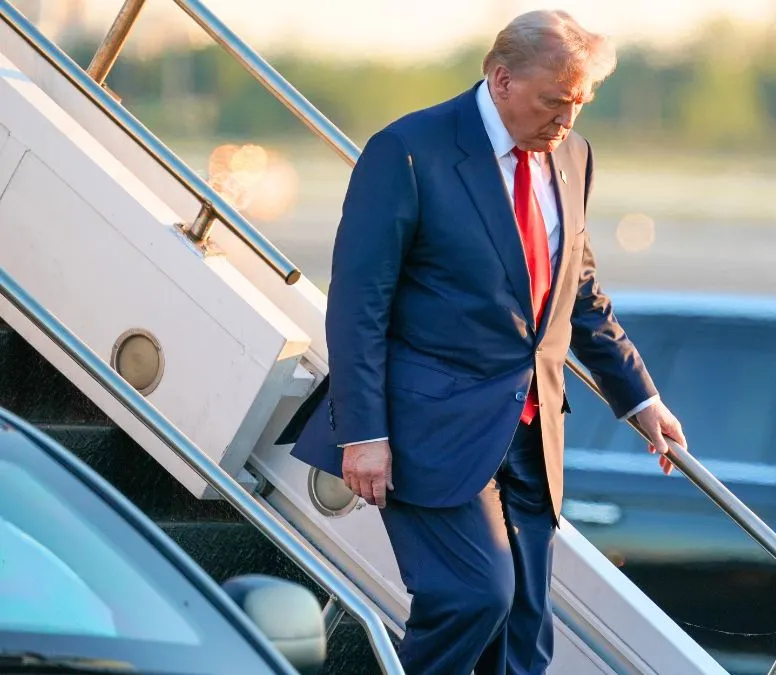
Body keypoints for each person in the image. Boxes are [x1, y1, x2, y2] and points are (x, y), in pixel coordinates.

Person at [281, 9, 687, 675]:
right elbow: (359, 305)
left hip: (532, 429)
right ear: (501, 80)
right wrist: (363, 432)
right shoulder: (410, 150)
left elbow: (577, 292)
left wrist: (639, 396)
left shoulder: (574, 157)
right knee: (473, 595)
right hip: (427, 426)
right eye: (555, 100)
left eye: (580, 103)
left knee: (524, 639)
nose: (567, 121)